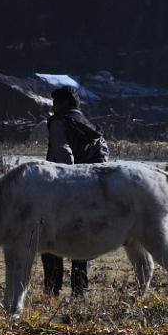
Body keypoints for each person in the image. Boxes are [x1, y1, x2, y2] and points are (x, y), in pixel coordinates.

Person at [43, 85, 110, 296]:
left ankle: (52, 290)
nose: (53, 107)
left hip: (63, 190)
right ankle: (80, 291)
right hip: (89, 190)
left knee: (50, 240)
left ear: (64, 103)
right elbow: (103, 158)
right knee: (81, 239)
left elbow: (63, 153)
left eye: (55, 103)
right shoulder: (88, 125)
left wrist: (67, 181)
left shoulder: (59, 122)